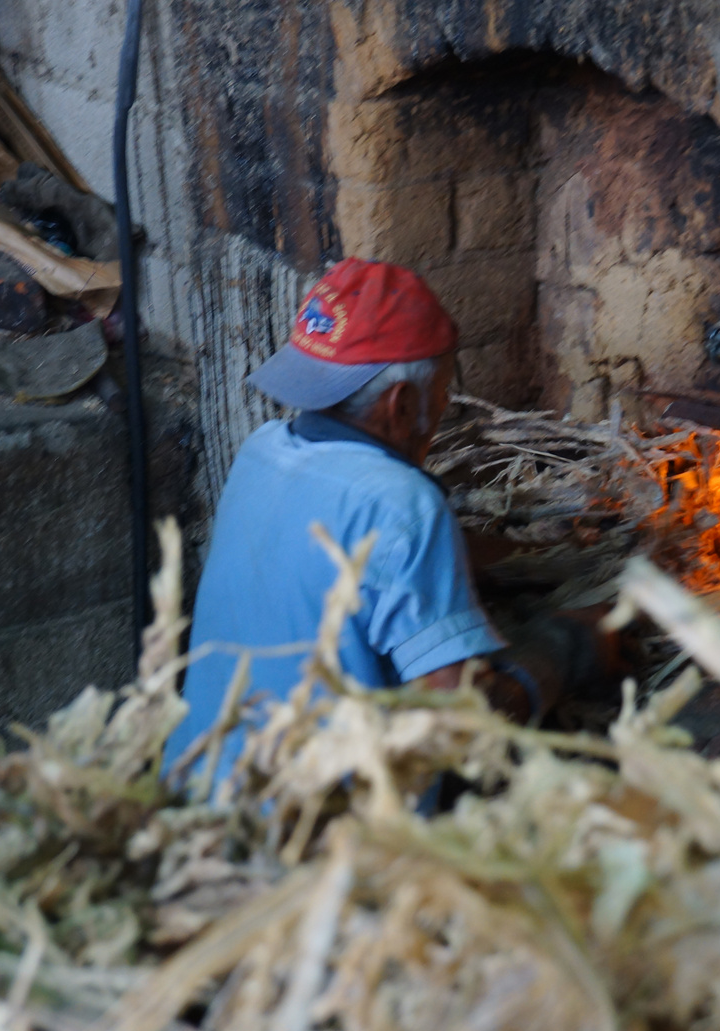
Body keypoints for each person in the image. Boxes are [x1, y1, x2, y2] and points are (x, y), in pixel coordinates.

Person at [166, 258, 603, 778]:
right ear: (401, 404)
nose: (441, 411)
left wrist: (534, 558)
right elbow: (461, 734)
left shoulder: (260, 453)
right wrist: (570, 645)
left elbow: (366, 555)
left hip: (198, 792)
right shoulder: (404, 503)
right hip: (311, 835)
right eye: (442, 395)